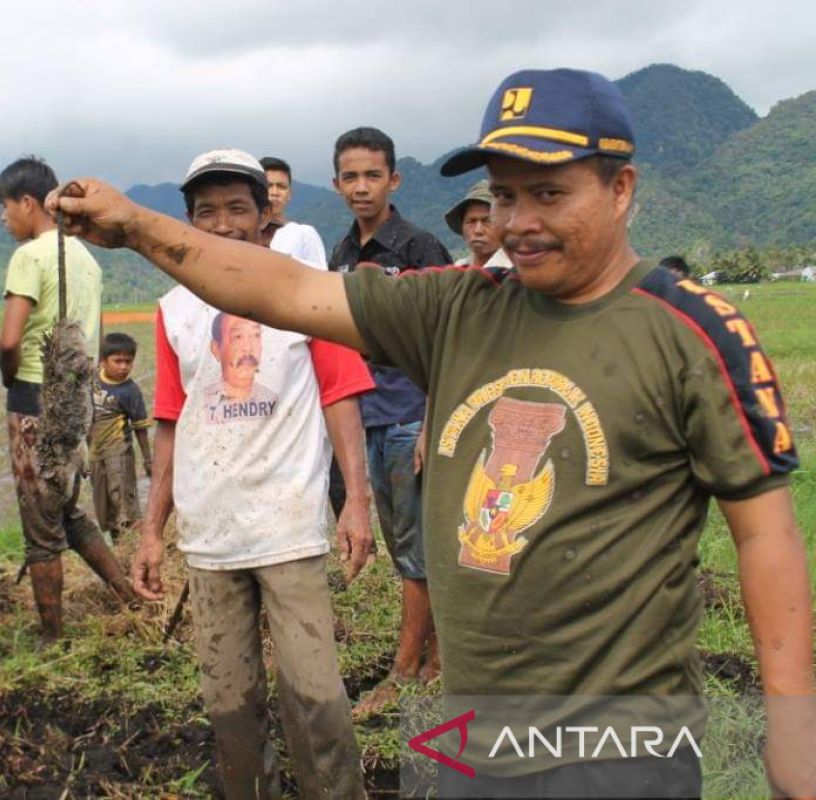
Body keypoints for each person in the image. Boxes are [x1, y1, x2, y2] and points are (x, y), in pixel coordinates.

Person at [48, 67, 815, 798]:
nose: (520, 223)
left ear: (622, 190)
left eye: (549, 194)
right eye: (506, 197)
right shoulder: (457, 310)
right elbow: (281, 288)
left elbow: (765, 536)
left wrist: (792, 724)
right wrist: (137, 226)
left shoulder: (692, 331)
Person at [132, 148, 375, 798]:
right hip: (210, 536)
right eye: (205, 211)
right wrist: (153, 529)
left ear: (263, 213)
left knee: (317, 700)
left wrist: (356, 500)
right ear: (186, 221)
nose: (221, 223)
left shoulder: (301, 289)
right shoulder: (172, 310)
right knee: (229, 709)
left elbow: (340, 391)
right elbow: (169, 422)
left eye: (236, 208)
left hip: (288, 526)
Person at [328, 126, 453, 713]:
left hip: (411, 414)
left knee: (415, 547)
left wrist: (435, 420)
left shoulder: (420, 249)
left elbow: (450, 341)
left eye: (372, 175)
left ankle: (406, 670)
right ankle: (434, 658)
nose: (361, 187)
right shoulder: (342, 256)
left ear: (394, 180)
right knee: (408, 541)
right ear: (336, 184)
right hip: (366, 415)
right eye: (350, 176)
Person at [0, 156, 135, 641]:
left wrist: (7, 377)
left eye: (4, 207)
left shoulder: (29, 256)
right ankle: (129, 595)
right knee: (68, 510)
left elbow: (11, 340)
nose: (3, 218)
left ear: (27, 202)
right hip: (78, 400)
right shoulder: (85, 257)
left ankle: (52, 635)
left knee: (40, 528)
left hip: (35, 398)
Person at [88, 331, 151, 542]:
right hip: (96, 456)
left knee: (126, 509)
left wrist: (148, 459)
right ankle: (121, 551)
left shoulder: (130, 390)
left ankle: (138, 549)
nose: (123, 367)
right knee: (107, 512)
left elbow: (140, 427)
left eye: (128, 362)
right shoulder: (92, 381)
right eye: (118, 361)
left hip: (119, 456)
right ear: (103, 361)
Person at [259, 155, 327, 266]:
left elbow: (321, 276)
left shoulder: (304, 234)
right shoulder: (244, 234)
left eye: (281, 187)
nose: (275, 192)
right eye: (269, 186)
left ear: (289, 194)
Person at [444, 179, 510, 267]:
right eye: (471, 221)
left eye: (487, 221)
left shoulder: (514, 272)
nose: (478, 230)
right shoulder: (458, 269)